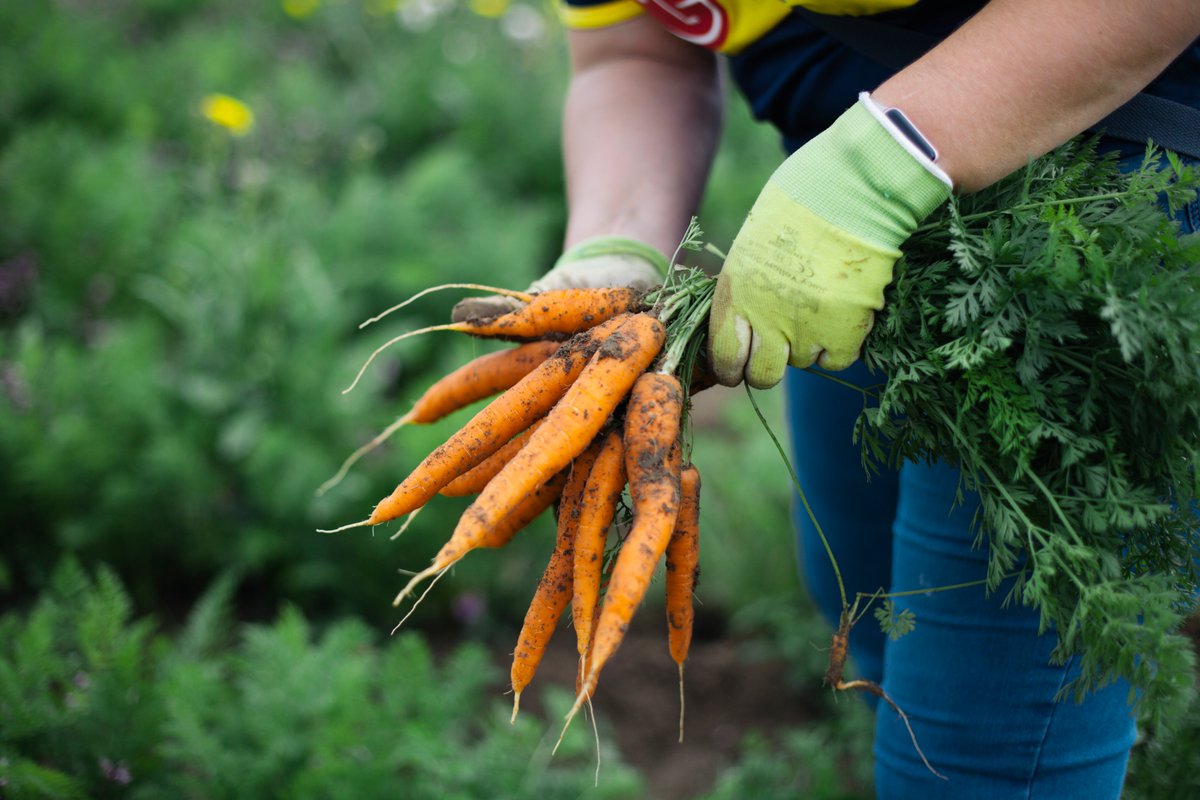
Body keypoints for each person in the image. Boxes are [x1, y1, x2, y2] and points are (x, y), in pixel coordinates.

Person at [459, 2, 1200, 795]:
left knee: (975, 754)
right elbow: (636, 49)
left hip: (1100, 218)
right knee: (863, 594)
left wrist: (890, 163)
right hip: (830, 225)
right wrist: (618, 238)